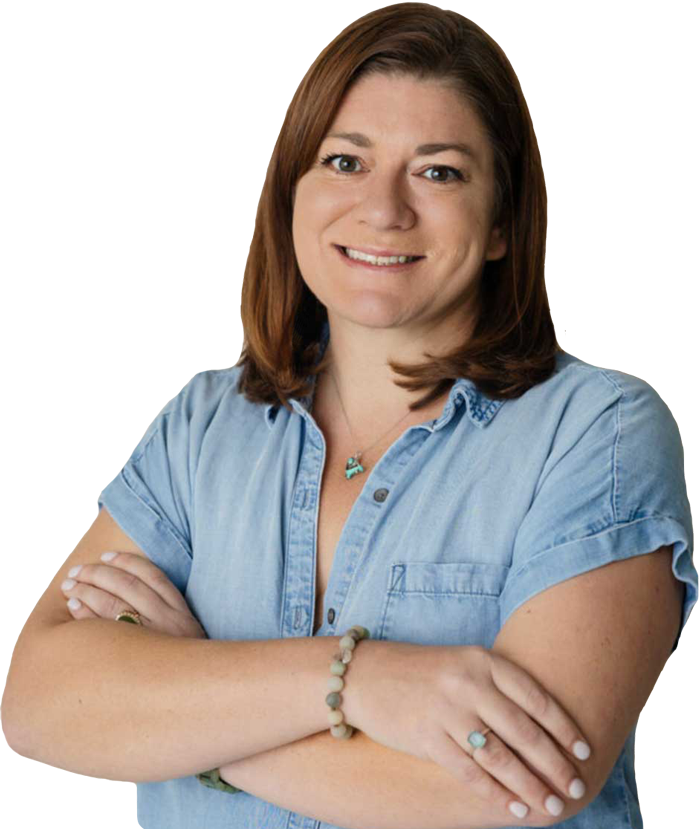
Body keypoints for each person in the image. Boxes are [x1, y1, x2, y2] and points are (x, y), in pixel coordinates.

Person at [3, 4, 696, 829]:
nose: (384, 209)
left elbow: (516, 786)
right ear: (290, 191)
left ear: (505, 220)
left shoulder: (598, 431)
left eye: (438, 172)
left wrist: (188, 707)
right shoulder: (200, 426)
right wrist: (359, 680)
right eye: (344, 161)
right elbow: (42, 700)